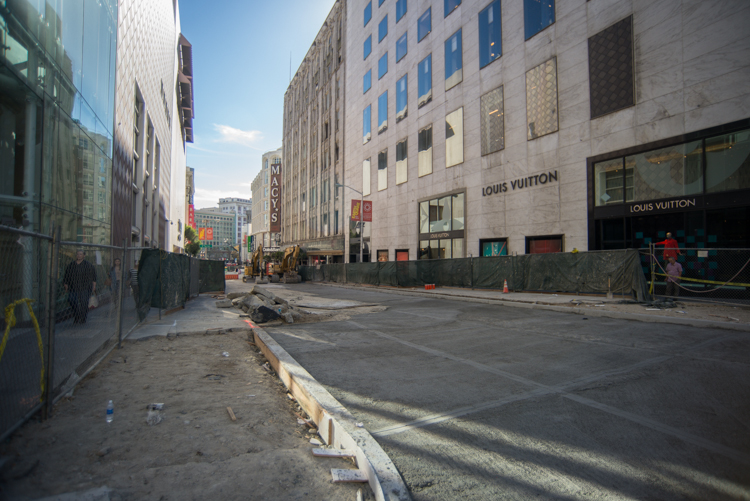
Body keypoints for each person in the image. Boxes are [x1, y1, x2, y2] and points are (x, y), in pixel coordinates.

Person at [63, 250, 97, 324]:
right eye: (78, 254)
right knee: (72, 300)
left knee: (84, 303)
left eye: (80, 254)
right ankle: (77, 315)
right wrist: (66, 285)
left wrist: (94, 286)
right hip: (73, 287)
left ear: (84, 255)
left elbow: (93, 277)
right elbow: (66, 275)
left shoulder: (88, 265)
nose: (79, 255)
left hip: (85, 287)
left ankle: (83, 317)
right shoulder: (71, 265)